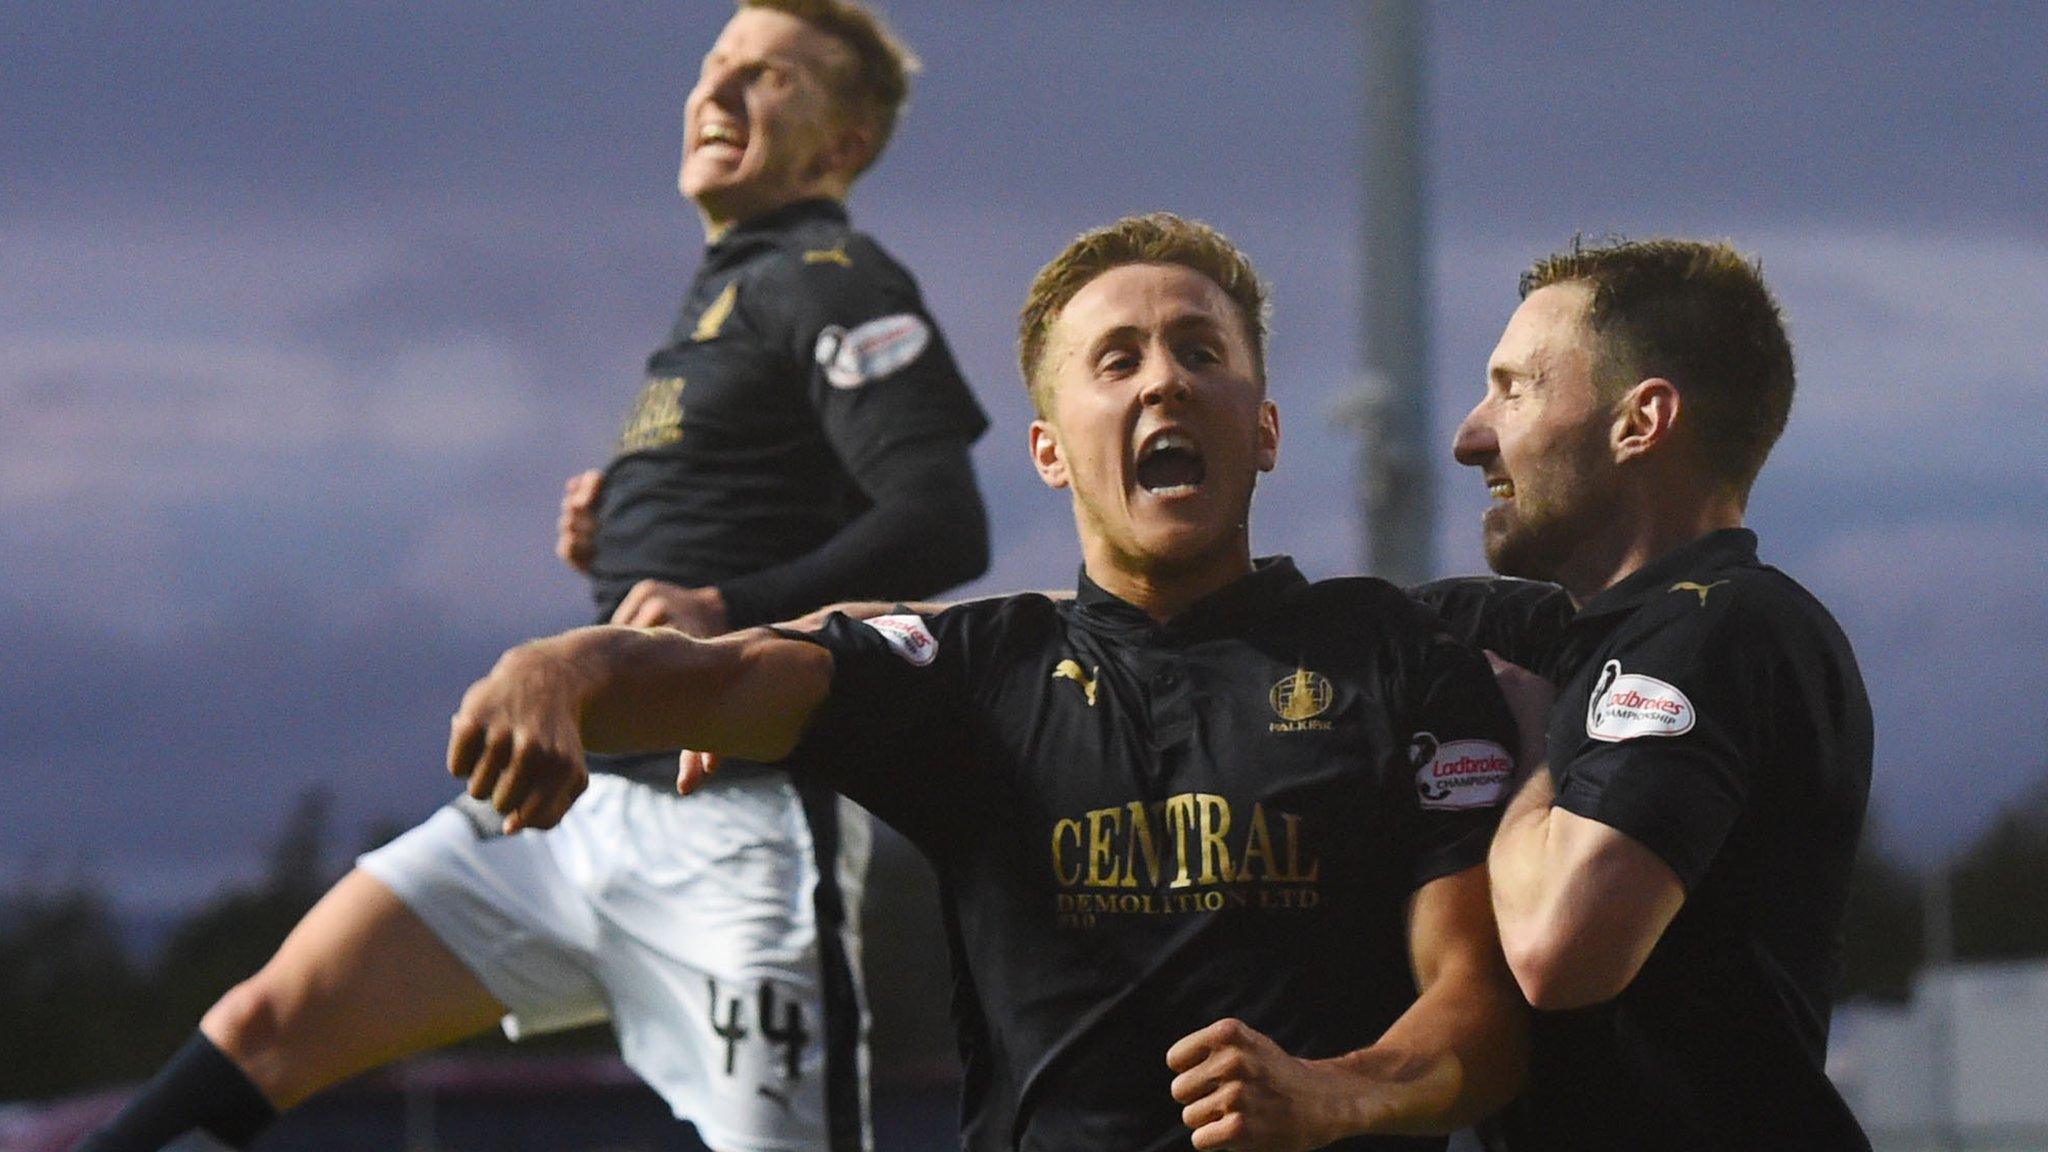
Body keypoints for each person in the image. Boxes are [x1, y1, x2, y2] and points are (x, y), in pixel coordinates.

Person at [79, 3, 988, 1151]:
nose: (718, 94)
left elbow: (941, 521)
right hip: (577, 805)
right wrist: (622, 539)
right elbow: (766, 502)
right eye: (713, 68)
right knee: (265, 1024)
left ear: (841, 145)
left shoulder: (835, 275)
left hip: (737, 831)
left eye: (768, 79)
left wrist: (718, 609)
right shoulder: (726, 291)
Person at [444, 213, 1530, 1152]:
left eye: (1200, 351)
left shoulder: (1391, 656)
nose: (1163, 378)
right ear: (1049, 451)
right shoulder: (975, 675)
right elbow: (718, 680)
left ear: (1262, 430)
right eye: (1117, 361)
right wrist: (560, 667)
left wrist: (1331, 1092)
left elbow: (1478, 1011)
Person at [1451, 238, 1873, 1150]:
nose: (1470, 434)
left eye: (1514, 387)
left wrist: (1531, 741)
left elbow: (1560, 949)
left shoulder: (1724, 629)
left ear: (1640, 422)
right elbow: (1262, 628)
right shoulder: (1569, 635)